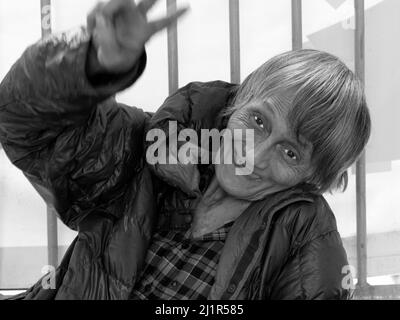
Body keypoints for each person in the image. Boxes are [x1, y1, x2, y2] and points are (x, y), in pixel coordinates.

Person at [0, 0, 370, 300]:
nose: (253, 156)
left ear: (313, 178)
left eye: (290, 154)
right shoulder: (149, 152)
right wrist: (91, 62)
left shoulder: (307, 244)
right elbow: (26, 125)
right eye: (257, 122)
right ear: (235, 105)